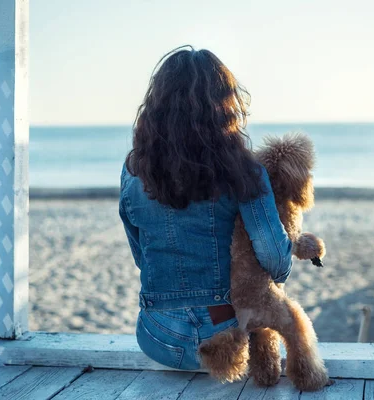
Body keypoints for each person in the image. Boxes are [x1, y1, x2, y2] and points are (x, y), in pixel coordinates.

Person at [119, 45, 293, 370]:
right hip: (227, 339)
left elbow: (142, 256)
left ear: (156, 106)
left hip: (156, 337)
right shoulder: (245, 170)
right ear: (225, 106)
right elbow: (274, 257)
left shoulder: (133, 170)